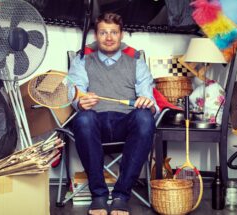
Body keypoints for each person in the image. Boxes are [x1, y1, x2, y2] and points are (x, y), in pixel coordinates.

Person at [68, 12, 159, 215]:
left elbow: (149, 98)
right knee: (83, 119)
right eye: (103, 32)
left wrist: (148, 103)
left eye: (113, 32)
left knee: (145, 117)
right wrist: (80, 101)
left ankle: (121, 195)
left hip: (126, 124)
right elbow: (74, 93)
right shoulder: (82, 60)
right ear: (96, 35)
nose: (109, 37)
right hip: (94, 125)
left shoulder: (136, 62)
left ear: (121, 35)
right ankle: (98, 195)